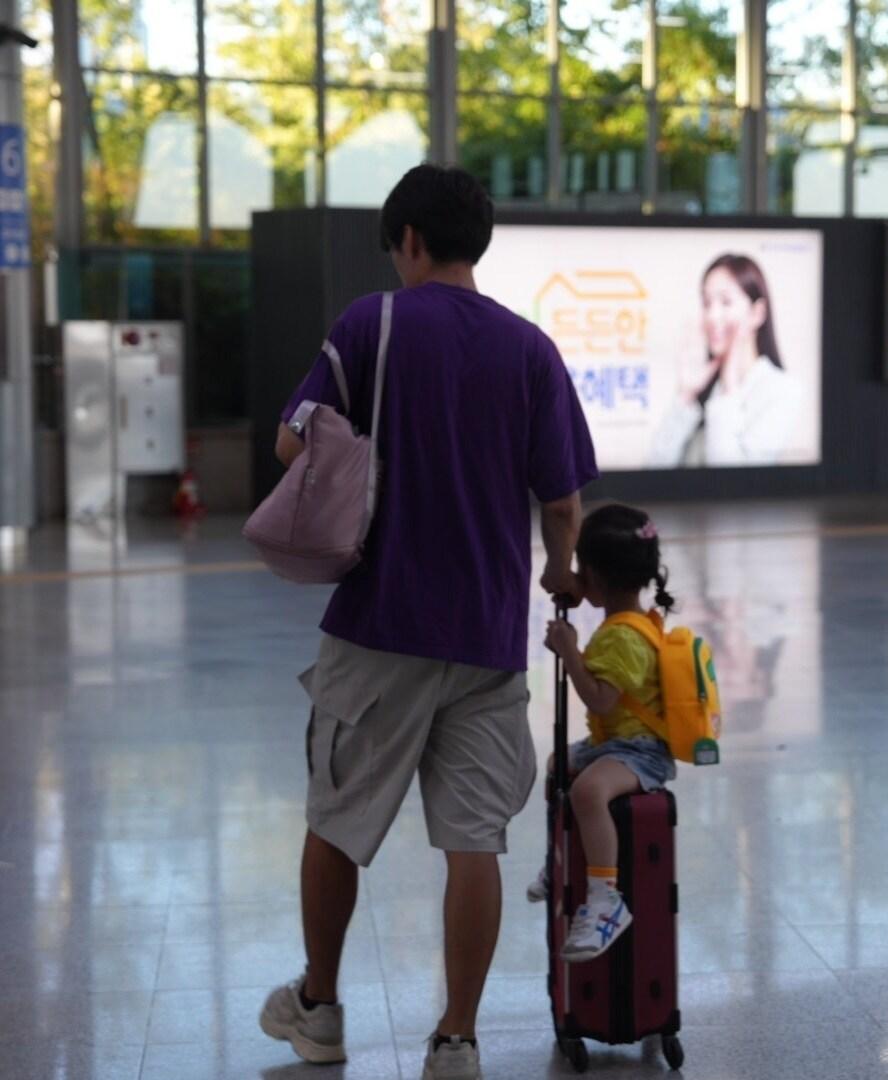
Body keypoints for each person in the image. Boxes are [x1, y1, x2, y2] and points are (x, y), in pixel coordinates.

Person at [257, 165, 598, 1080]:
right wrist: (560, 571)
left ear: (409, 240)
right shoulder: (529, 348)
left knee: (336, 819)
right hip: (487, 638)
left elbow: (294, 442)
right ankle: (456, 1036)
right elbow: (563, 502)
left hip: (376, 624)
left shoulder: (372, 324)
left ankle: (321, 1009)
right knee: (472, 841)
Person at [527, 504, 678, 961]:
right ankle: (563, 857)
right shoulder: (630, 622)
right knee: (559, 765)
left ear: (595, 573)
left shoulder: (622, 637)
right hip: (614, 743)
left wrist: (569, 650)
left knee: (588, 792)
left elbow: (601, 701)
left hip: (641, 751)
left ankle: (606, 898)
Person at [649, 253, 802, 467]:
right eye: (706, 303)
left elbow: (734, 483)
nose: (712, 316)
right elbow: (654, 470)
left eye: (726, 302)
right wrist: (685, 396)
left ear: (757, 313)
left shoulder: (782, 390)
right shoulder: (705, 386)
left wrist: (730, 387)